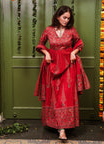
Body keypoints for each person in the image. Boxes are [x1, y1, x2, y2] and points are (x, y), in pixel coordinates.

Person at [34, 5, 90, 140]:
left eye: (68, 18)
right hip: (52, 66)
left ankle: (63, 129)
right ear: (57, 16)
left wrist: (73, 52)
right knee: (54, 96)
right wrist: (46, 52)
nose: (66, 20)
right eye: (64, 17)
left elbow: (80, 44)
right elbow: (40, 44)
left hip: (68, 66)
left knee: (66, 97)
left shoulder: (71, 30)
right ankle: (59, 127)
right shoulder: (48, 30)